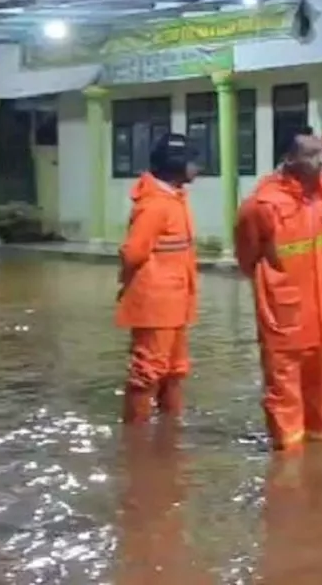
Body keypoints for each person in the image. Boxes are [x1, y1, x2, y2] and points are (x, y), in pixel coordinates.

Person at [234, 127, 322, 451]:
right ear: (289, 159)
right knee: (285, 395)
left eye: (321, 152)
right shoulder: (262, 206)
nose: (321, 162)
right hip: (284, 317)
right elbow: (247, 257)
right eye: (311, 155)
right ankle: (289, 471)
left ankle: (318, 472)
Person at [116, 133, 199, 424]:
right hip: (156, 304)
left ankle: (167, 433)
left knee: (175, 370)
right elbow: (132, 253)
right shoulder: (154, 205)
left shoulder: (171, 198)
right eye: (193, 161)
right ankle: (136, 441)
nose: (197, 167)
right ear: (176, 165)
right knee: (148, 371)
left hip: (174, 301)